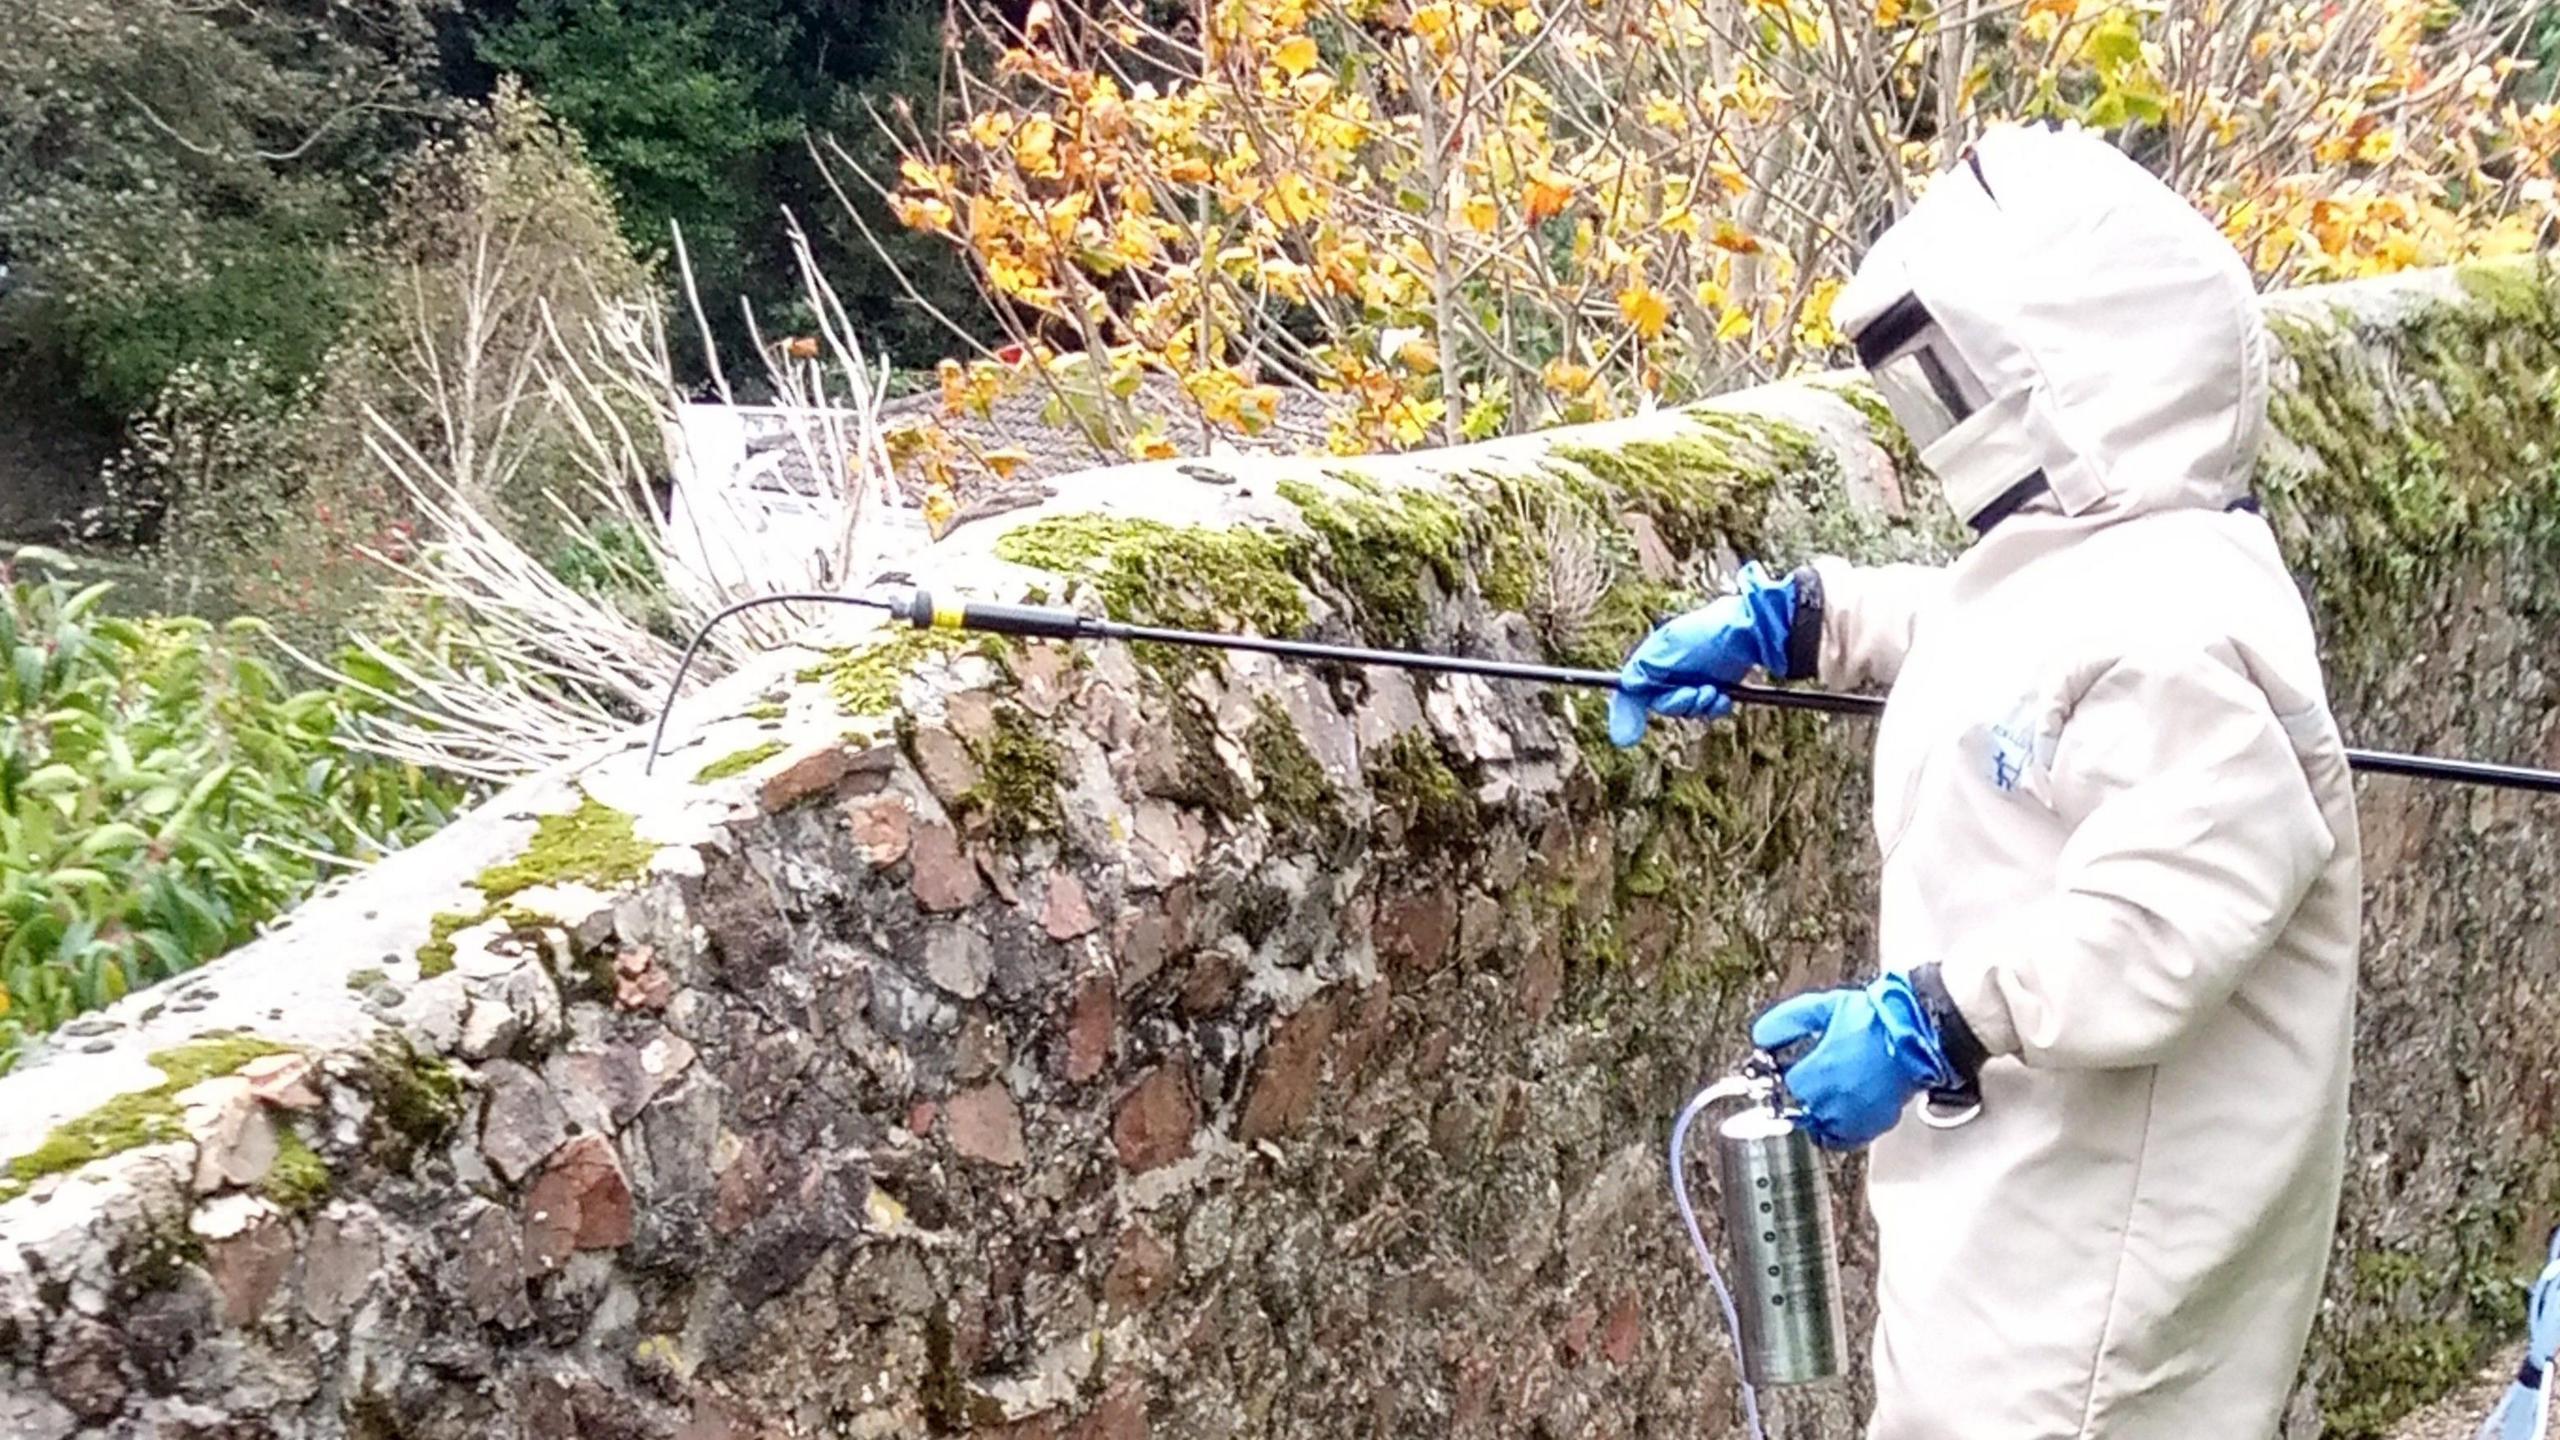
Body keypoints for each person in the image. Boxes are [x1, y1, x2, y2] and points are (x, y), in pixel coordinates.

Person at [1609, 122, 2364, 1439]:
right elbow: (2009, 652)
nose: (1949, 417)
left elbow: (2161, 920)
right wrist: (1806, 621)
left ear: (2083, 369)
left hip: (2109, 1231)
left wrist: (1933, 1021)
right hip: (2015, 1195)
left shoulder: (2185, 622)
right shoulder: (2108, 550)